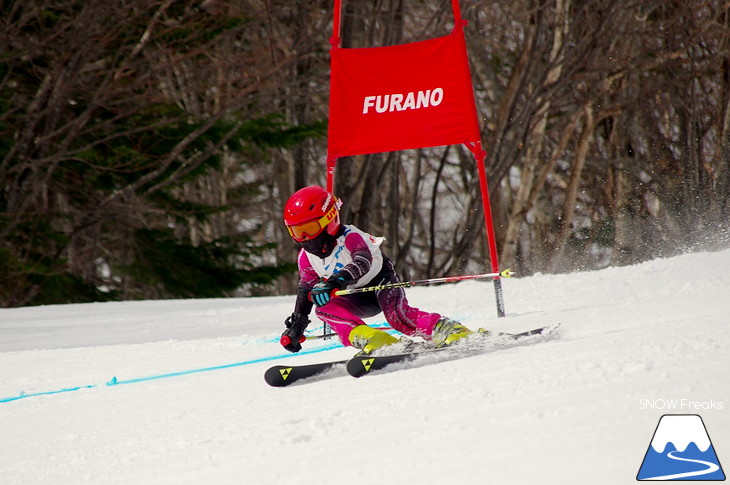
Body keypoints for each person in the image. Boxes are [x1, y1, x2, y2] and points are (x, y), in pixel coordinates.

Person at [280, 185, 474, 355]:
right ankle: (372, 339)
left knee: (398, 318)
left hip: (380, 283)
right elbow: (306, 289)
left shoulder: (351, 236)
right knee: (323, 307)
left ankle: (448, 330)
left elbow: (362, 262)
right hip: (354, 297)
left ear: (329, 219)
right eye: (296, 232)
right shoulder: (306, 258)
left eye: (310, 229)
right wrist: (298, 324)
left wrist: (334, 281)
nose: (304, 238)